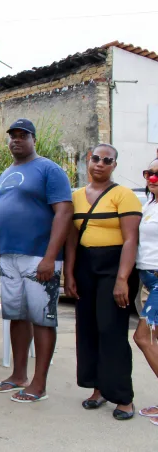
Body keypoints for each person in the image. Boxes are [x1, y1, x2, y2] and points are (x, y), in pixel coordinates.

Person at [0, 119, 73, 403]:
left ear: (33, 139)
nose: (16, 140)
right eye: (12, 136)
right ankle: (18, 375)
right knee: (17, 316)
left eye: (22, 135)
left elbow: (63, 213)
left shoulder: (49, 169)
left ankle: (39, 384)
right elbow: (0, 218)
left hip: (39, 256)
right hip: (10, 257)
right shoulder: (6, 173)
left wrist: (51, 257)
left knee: (42, 319)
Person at [65, 144, 139, 420]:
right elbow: (72, 238)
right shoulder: (76, 196)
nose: (100, 164)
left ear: (114, 166)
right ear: (88, 160)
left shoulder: (124, 195)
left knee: (111, 331)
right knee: (88, 330)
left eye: (107, 160)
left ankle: (123, 397)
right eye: (96, 158)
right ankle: (97, 389)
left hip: (114, 266)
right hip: (85, 266)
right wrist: (69, 274)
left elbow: (131, 238)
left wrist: (122, 280)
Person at [135, 158, 158, 424]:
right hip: (148, 280)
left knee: (144, 338)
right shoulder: (150, 205)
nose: (152, 178)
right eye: (148, 173)